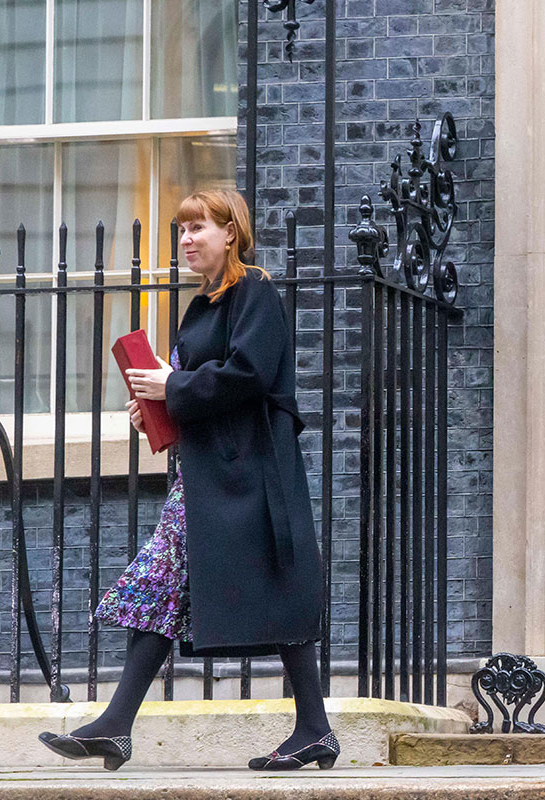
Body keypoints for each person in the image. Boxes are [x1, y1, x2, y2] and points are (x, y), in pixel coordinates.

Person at [38, 189, 337, 771]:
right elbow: (203, 382)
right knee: (163, 583)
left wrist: (170, 388)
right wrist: (159, 403)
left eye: (198, 227)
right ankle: (121, 725)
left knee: (258, 584)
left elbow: (248, 374)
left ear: (232, 232)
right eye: (181, 230)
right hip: (208, 473)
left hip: (251, 471)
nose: (187, 239)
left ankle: (311, 727)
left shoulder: (255, 291)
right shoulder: (204, 305)